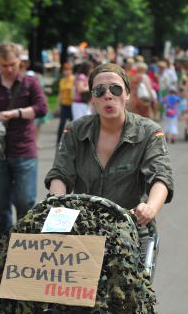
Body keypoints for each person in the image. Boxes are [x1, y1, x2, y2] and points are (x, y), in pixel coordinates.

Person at [45, 62, 173, 237]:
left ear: (127, 94)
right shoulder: (75, 130)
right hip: (83, 229)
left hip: (131, 229)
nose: (108, 95)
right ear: (92, 98)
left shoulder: (149, 132)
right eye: (99, 91)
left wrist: (150, 208)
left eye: (116, 89)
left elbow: (160, 176)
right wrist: (58, 207)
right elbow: (61, 174)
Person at [0, 42, 48, 239]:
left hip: (24, 151)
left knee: (25, 201)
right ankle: (4, 251)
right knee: (1, 206)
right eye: (4, 65)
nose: (9, 69)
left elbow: (42, 108)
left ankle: (23, 247)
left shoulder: (30, 83)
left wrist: (16, 113)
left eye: (13, 64)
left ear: (20, 62)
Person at [56, 62, 74, 146]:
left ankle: (72, 140)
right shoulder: (62, 81)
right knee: (62, 124)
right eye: (65, 70)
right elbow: (60, 93)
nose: (66, 72)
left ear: (71, 71)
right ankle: (59, 141)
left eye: (68, 70)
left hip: (71, 104)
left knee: (72, 124)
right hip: (64, 104)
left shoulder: (73, 79)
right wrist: (57, 106)